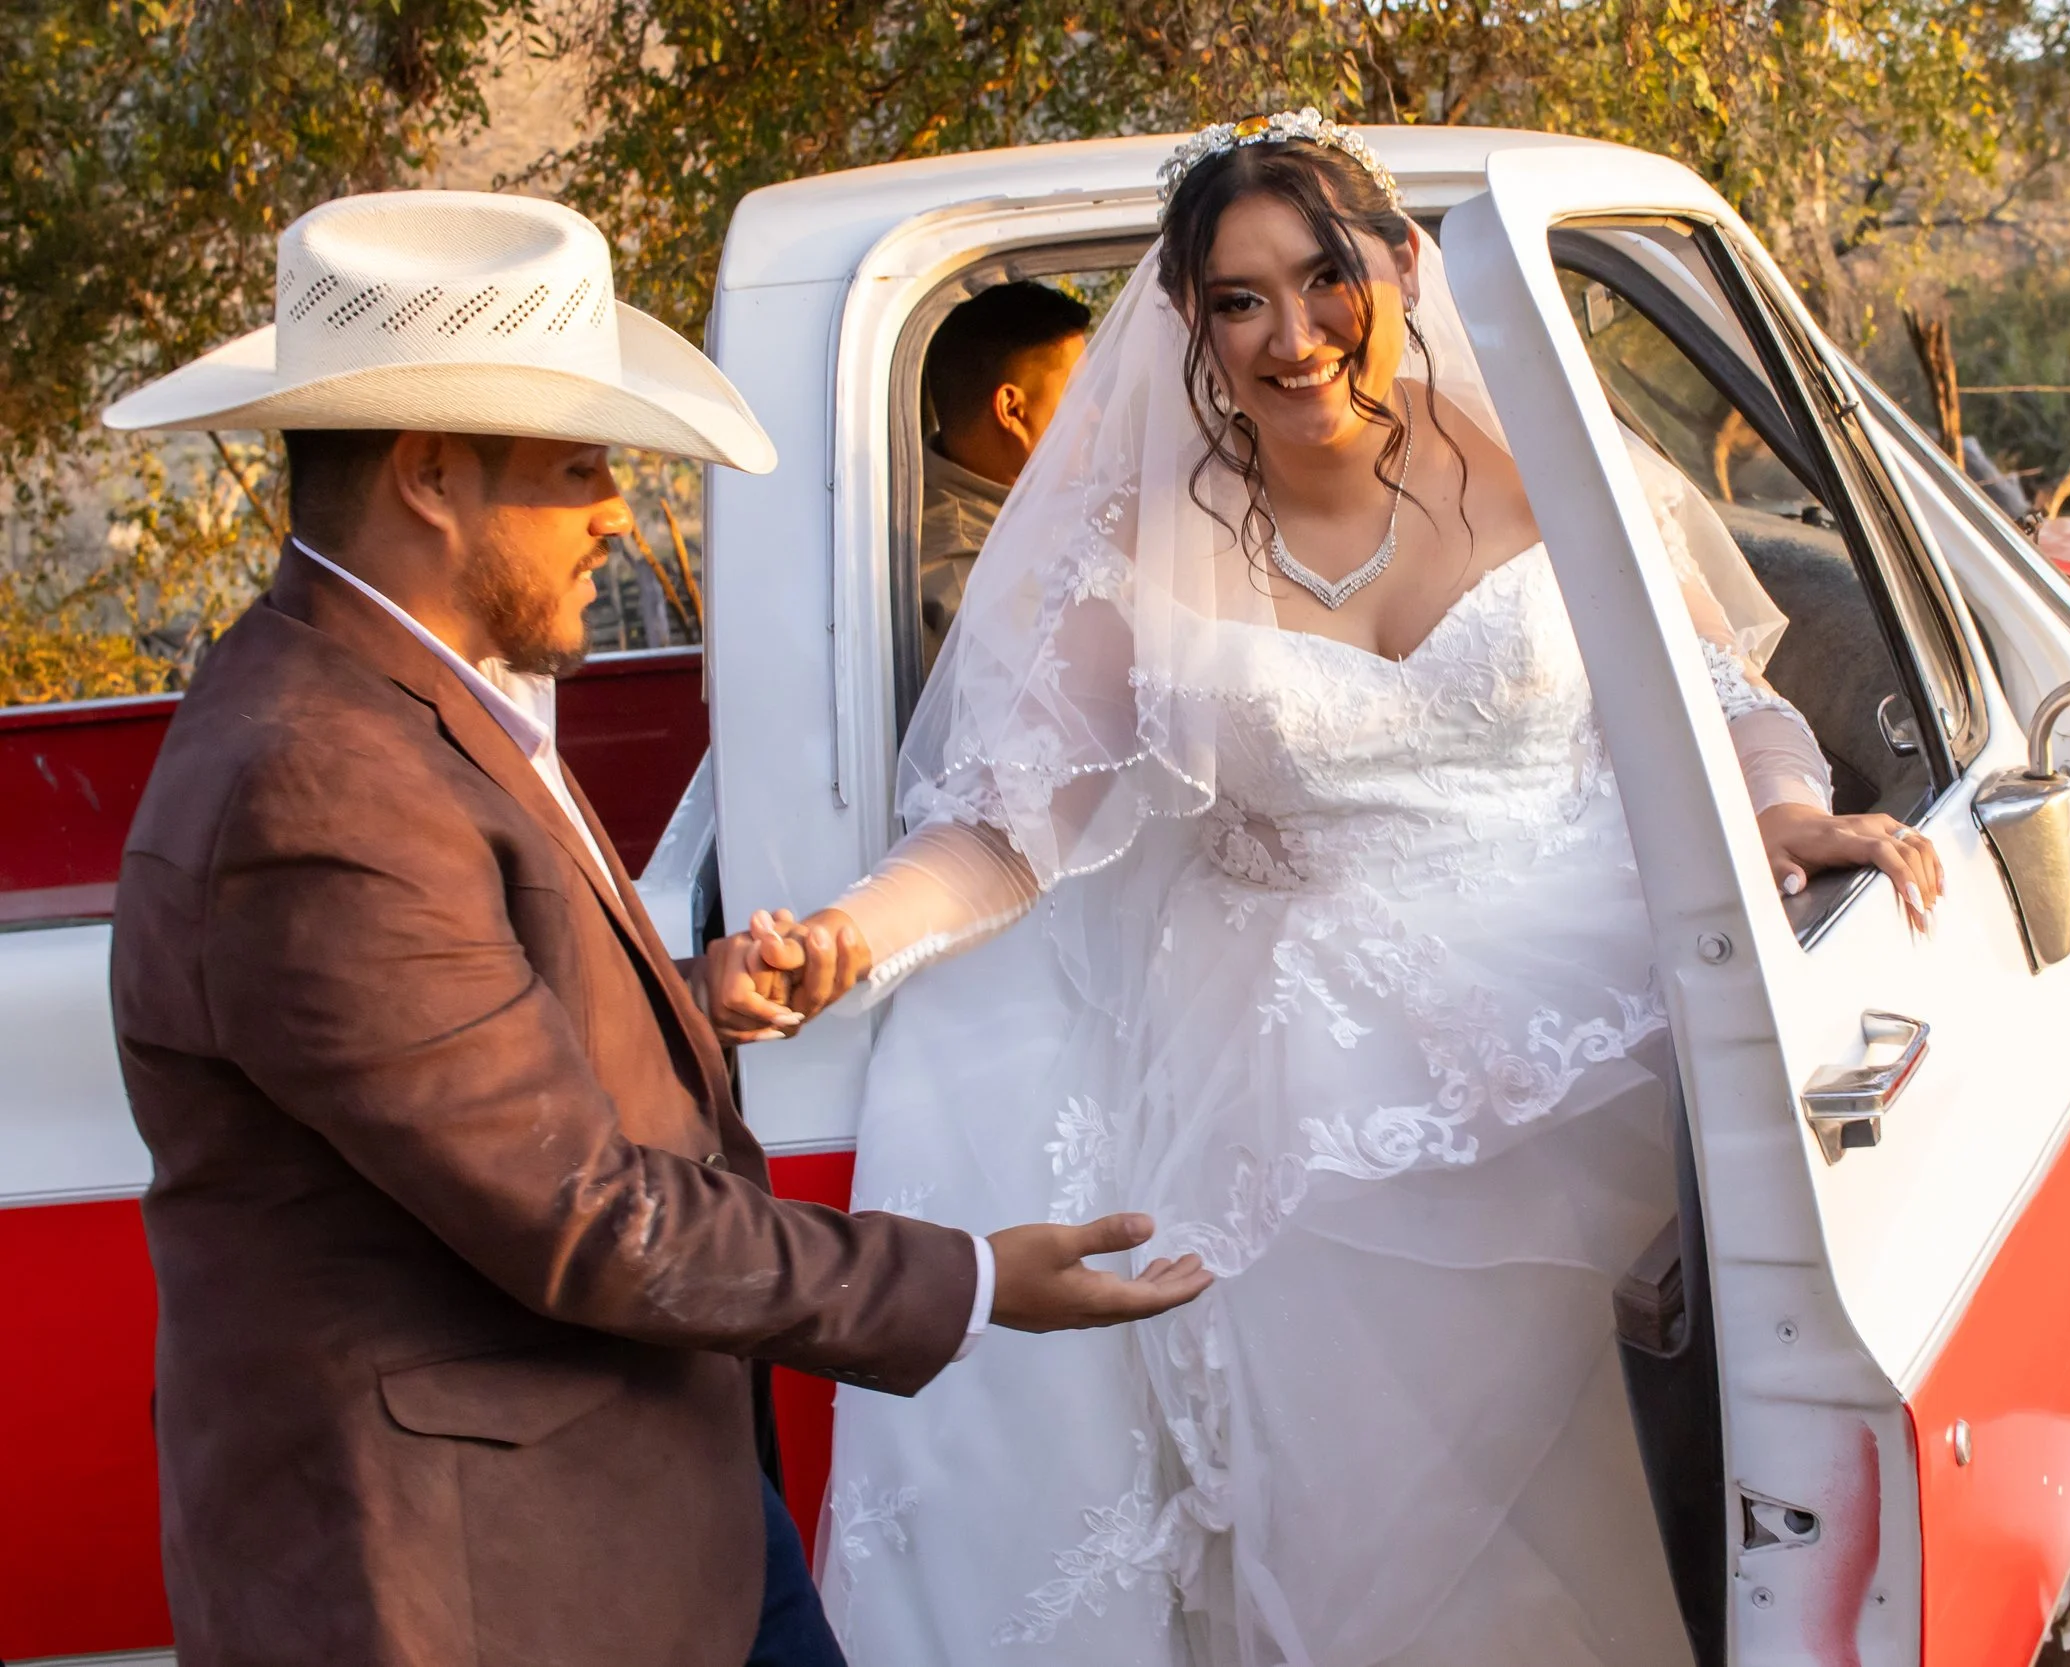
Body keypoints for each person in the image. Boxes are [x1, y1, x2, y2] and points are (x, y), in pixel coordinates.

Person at [713, 114, 1943, 1666]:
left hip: (1609, 1036)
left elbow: (1725, 697)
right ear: (1190, 322)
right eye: (1238, 300)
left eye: (1323, 277)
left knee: (1695, 1489)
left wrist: (1787, 809)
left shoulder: (1553, 466)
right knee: (1388, 1564)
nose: (1291, 338)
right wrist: (842, 937)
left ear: (1403, 266)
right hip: (1320, 1113)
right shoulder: (1138, 550)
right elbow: (1005, 836)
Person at [101, 190, 1209, 1667]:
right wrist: (980, 1278)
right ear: (432, 476)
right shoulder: (320, 776)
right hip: (492, 1564)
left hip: (635, 1489)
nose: (620, 510)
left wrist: (682, 995)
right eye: (579, 467)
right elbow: (576, 1211)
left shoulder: (391, 695)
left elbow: (458, 1041)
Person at [918, 280, 1092, 664]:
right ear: (1012, 411)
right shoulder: (967, 582)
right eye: (1080, 394)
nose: (1095, 415)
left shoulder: (1021, 500)